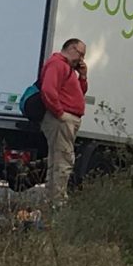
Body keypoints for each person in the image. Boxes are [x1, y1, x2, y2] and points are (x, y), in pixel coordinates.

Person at [40, 38, 88, 205]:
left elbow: (79, 93)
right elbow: (48, 89)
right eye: (81, 54)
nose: (81, 59)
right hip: (61, 119)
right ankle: (58, 201)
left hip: (66, 118)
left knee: (57, 159)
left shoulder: (68, 68)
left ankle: (52, 199)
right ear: (72, 48)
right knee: (64, 159)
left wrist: (82, 76)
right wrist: (60, 113)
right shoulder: (58, 64)